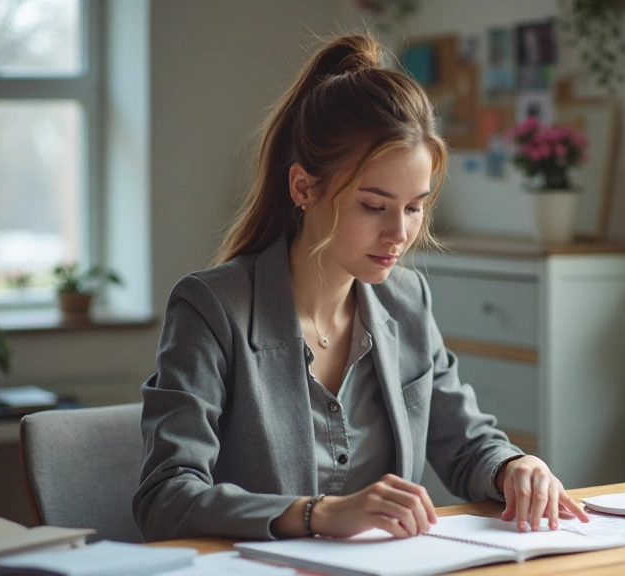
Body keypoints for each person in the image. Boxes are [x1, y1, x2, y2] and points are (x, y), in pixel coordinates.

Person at [132, 34, 589, 543]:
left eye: (414, 207)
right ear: (304, 188)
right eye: (373, 206)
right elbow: (166, 498)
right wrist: (317, 514)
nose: (399, 234)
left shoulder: (407, 301)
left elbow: (465, 443)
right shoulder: (212, 309)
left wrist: (513, 467)